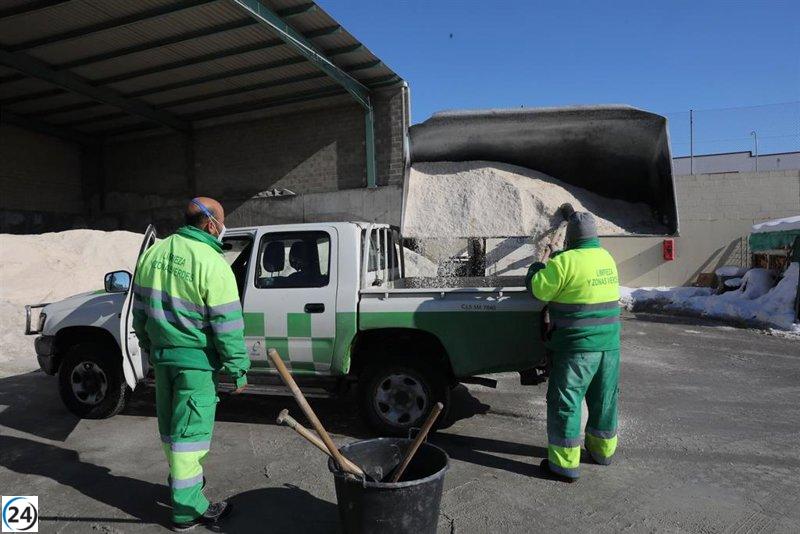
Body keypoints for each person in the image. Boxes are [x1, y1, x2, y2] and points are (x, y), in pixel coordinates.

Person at [132, 197, 250, 530]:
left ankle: (183, 483)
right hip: (196, 365)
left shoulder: (153, 254)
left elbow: (140, 313)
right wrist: (237, 368)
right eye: (222, 222)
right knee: (190, 436)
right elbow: (227, 325)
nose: (222, 228)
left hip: (163, 361)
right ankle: (187, 508)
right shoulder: (212, 263)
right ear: (212, 224)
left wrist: (149, 345)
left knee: (171, 429)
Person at [525, 211, 621, 483]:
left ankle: (565, 465)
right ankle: (602, 452)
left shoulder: (564, 262)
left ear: (570, 238)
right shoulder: (606, 259)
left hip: (577, 349)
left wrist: (537, 266)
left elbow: (540, 290)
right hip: (610, 347)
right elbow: (582, 281)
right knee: (604, 400)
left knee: (566, 404)